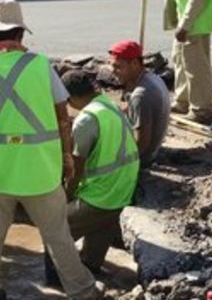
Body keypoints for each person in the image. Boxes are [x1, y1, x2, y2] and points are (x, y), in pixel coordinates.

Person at [0, 0, 102, 300]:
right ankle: (83, 294)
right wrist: (66, 158)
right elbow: (64, 117)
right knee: (57, 236)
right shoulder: (40, 65)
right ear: (20, 34)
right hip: (41, 172)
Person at [43, 69, 140, 287]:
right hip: (122, 189)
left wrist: (65, 198)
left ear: (70, 97)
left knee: (53, 229)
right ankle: (91, 264)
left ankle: (56, 282)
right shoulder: (109, 106)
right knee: (99, 225)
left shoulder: (86, 120)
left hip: (102, 194)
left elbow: (75, 170)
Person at [108, 40, 170, 168]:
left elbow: (141, 144)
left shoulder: (140, 95)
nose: (113, 72)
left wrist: (119, 164)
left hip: (144, 158)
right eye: (112, 66)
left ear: (135, 63)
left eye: (118, 67)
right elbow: (135, 108)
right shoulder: (153, 78)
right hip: (154, 147)